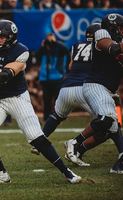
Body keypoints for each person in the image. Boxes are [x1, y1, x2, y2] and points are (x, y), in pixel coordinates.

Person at [0, 20, 82, 184]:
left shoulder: (21, 51)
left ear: (11, 39)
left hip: (17, 97)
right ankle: (2, 174)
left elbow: (4, 76)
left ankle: (67, 172)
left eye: (2, 37)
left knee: (36, 138)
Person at [30, 23, 101, 167]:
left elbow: (67, 58)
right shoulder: (97, 48)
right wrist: (44, 45)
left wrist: (54, 43)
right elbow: (37, 56)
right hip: (72, 85)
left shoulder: (66, 46)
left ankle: (41, 140)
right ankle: (76, 145)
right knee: (105, 120)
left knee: (57, 112)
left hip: (61, 82)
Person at [66, 13, 123, 174]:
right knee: (108, 118)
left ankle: (116, 164)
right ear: (112, 27)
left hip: (108, 89)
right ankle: (74, 142)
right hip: (95, 85)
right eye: (120, 28)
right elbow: (113, 49)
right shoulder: (102, 33)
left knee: (111, 127)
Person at [36, 33, 71, 122]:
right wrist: (42, 46)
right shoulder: (44, 49)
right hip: (45, 78)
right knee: (46, 100)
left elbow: (66, 50)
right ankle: (46, 119)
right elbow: (36, 57)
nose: (50, 42)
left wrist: (55, 43)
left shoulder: (59, 49)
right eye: (48, 39)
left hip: (57, 77)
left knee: (58, 100)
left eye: (51, 39)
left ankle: (58, 118)